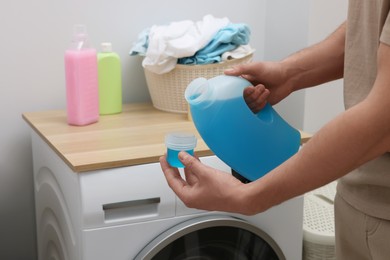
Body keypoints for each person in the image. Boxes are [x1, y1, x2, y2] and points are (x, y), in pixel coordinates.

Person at [160, 1, 390, 258]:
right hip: (358, 196)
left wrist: (249, 197)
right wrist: (289, 73)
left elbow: (383, 121)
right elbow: (368, 27)